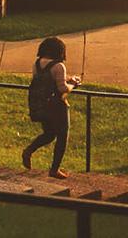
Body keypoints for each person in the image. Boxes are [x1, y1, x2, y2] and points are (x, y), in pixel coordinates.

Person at [22, 35, 80, 178]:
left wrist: (67, 79)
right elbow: (62, 89)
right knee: (62, 136)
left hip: (42, 105)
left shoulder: (37, 64)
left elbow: (46, 81)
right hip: (57, 106)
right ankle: (54, 169)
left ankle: (29, 150)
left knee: (49, 134)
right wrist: (74, 83)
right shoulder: (59, 66)